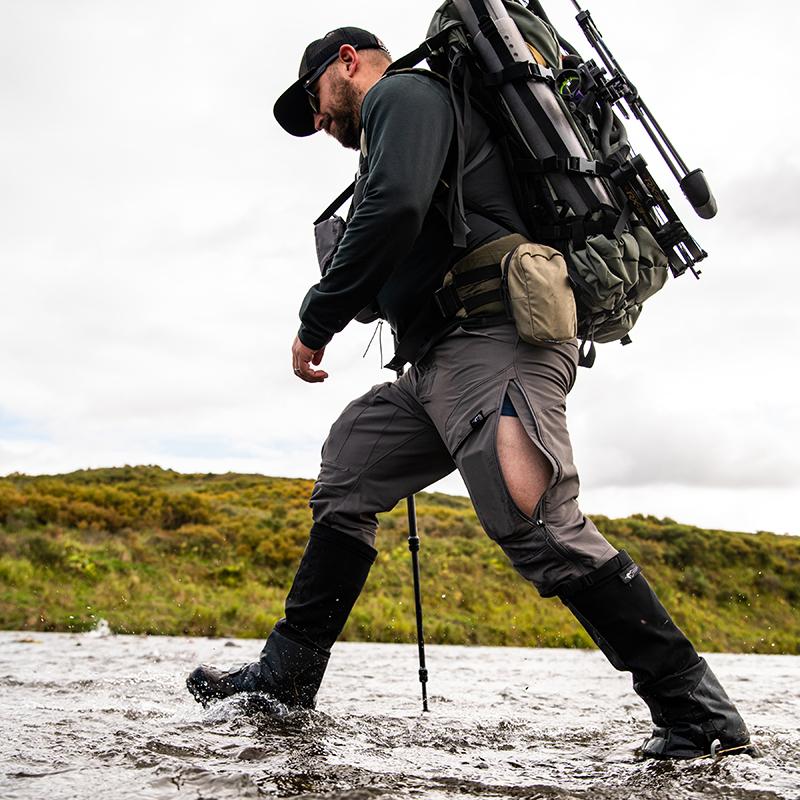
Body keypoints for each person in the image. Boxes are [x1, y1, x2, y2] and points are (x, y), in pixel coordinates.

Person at [187, 26, 753, 760]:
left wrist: (314, 320)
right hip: (437, 366)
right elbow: (401, 231)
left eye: (315, 100)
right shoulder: (408, 121)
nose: (318, 120)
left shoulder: (404, 94)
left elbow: (393, 210)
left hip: (498, 342)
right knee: (351, 465)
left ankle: (697, 714)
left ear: (348, 64)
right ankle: (287, 678)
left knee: (537, 522)